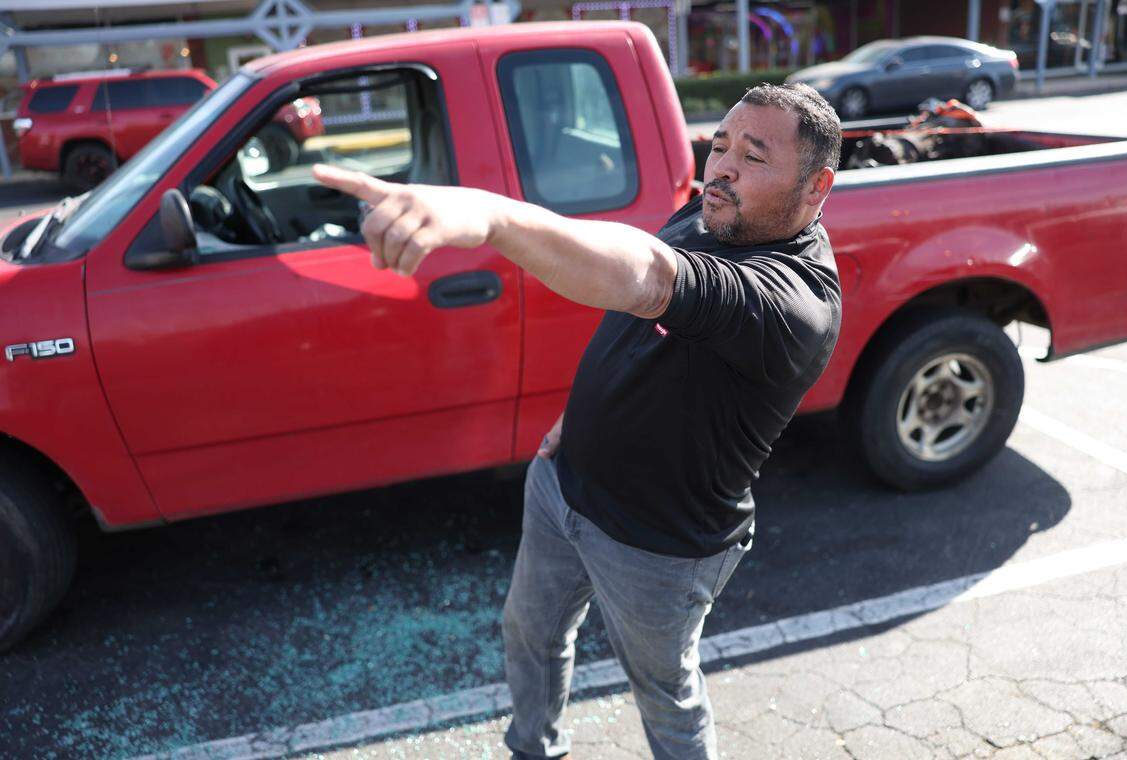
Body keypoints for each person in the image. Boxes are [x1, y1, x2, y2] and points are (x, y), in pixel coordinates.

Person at [313, 82, 843, 760]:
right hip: (564, 484)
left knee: (666, 696)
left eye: (754, 156)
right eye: (720, 145)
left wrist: (491, 217)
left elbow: (649, 279)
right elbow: (634, 313)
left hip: (660, 548)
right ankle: (534, 749)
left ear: (815, 185)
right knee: (529, 635)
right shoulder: (720, 211)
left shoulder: (791, 302)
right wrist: (575, 419)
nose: (723, 168)